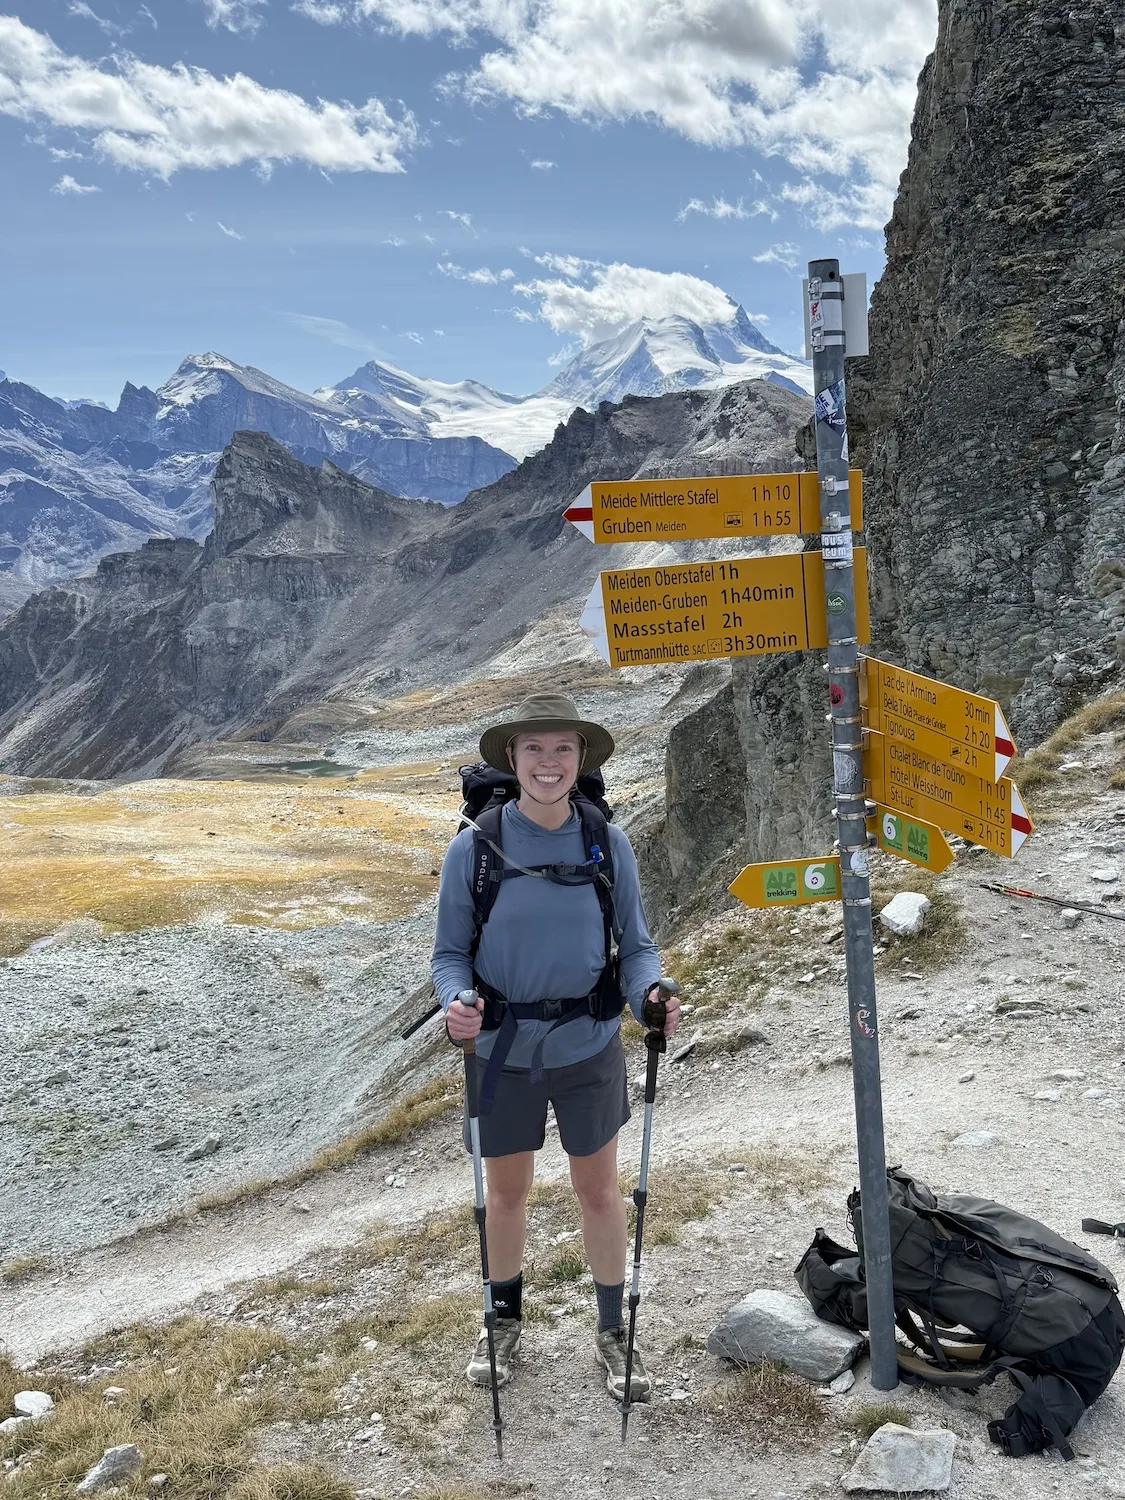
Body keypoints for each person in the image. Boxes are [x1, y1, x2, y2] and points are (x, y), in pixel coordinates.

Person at [432, 692, 679, 1404]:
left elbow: (635, 947)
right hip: (502, 1052)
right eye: (533, 749)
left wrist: (650, 995)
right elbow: (449, 954)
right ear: (511, 759)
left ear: (580, 759)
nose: (547, 762)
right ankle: (501, 1322)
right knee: (506, 1197)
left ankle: (611, 1333)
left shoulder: (606, 841)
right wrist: (457, 1003)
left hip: (588, 1046)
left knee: (599, 1193)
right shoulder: (473, 848)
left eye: (561, 749)